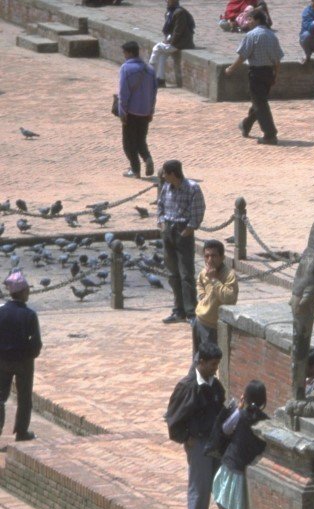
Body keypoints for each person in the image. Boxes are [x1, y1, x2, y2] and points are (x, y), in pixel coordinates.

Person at [164, 341, 226, 509]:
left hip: (215, 441)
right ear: (201, 361)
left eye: (217, 366)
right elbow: (173, 417)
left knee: (221, 482)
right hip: (198, 443)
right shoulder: (187, 387)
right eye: (212, 365)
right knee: (200, 485)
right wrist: (185, 438)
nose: (214, 369)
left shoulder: (214, 386)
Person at [211, 379, 268, 509]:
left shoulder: (240, 415)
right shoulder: (265, 419)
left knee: (218, 491)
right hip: (247, 465)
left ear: (246, 397)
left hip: (232, 462)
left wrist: (238, 408)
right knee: (240, 503)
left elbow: (226, 429)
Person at [225, 9, 285, 145]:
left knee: (260, 104)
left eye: (250, 19)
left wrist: (231, 69)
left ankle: (270, 134)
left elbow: (242, 56)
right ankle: (246, 125)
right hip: (269, 73)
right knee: (258, 102)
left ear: (257, 20)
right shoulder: (272, 36)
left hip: (256, 73)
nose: (248, 22)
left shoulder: (252, 35)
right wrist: (276, 75)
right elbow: (277, 59)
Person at [157, 159, 206, 323]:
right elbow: (160, 206)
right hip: (168, 231)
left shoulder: (192, 188)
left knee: (186, 274)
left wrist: (189, 229)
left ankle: (191, 311)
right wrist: (162, 223)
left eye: (165, 173)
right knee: (172, 274)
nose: (163, 176)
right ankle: (178, 310)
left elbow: (198, 209)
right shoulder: (166, 187)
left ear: (172, 174)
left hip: (182, 231)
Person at [0, 272, 41, 443]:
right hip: (24, 360)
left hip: (2, 360)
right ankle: (21, 432)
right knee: (24, 398)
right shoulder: (30, 314)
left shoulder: (1, 312)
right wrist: (31, 355)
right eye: (27, 290)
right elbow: (36, 342)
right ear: (23, 292)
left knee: (0, 398)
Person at [117, 41, 158, 179]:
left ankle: (135, 170)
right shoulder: (149, 70)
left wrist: (122, 112)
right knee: (141, 140)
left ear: (129, 53)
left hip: (131, 112)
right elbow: (154, 92)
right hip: (145, 111)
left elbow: (124, 93)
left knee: (128, 142)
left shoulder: (126, 68)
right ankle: (147, 158)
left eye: (124, 53)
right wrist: (151, 111)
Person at [192, 240, 239, 352]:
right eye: (207, 256)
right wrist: (202, 296)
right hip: (199, 320)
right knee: (198, 359)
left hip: (214, 326)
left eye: (214, 256)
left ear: (222, 257)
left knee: (210, 361)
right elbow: (199, 283)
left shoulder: (229, 275)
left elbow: (228, 297)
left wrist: (214, 280)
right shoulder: (204, 272)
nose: (210, 260)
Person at [147, 0, 195, 87]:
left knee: (156, 49)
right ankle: (160, 80)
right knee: (162, 56)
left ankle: (149, 76)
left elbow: (178, 31)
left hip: (182, 42)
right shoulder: (169, 12)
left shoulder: (179, 12)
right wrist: (166, 40)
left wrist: (170, 42)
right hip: (172, 41)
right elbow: (168, 31)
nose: (167, 2)